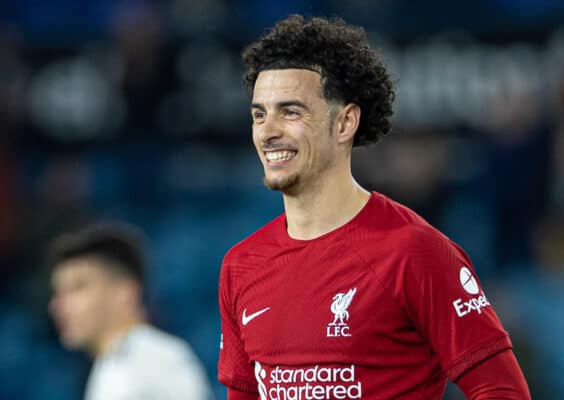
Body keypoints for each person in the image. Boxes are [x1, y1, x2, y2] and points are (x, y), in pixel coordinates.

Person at [218, 15, 531, 400]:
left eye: (291, 111)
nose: (268, 130)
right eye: (259, 114)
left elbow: (502, 391)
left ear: (345, 122)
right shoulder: (240, 265)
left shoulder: (414, 251)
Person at [48, 222, 213, 400]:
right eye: (58, 293)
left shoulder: (159, 360)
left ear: (125, 292)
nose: (57, 305)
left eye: (77, 288)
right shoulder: (108, 366)